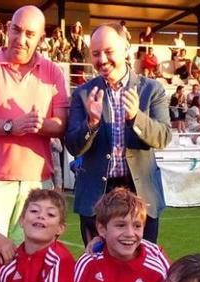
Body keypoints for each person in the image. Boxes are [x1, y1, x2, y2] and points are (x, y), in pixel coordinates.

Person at [0, 5, 68, 242]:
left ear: (41, 38)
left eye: (30, 34)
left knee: (33, 258)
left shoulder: (53, 72)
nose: (21, 39)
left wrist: (37, 124)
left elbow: (61, 125)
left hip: (37, 182)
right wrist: (10, 126)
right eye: (16, 30)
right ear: (7, 30)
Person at [65, 23, 172, 246]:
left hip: (141, 195)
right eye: (95, 54)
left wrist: (136, 117)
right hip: (96, 196)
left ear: (126, 49)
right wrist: (91, 123)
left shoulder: (152, 89)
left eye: (108, 51)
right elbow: (73, 146)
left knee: (142, 269)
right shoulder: (83, 93)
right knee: (96, 268)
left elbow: (163, 137)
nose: (102, 60)